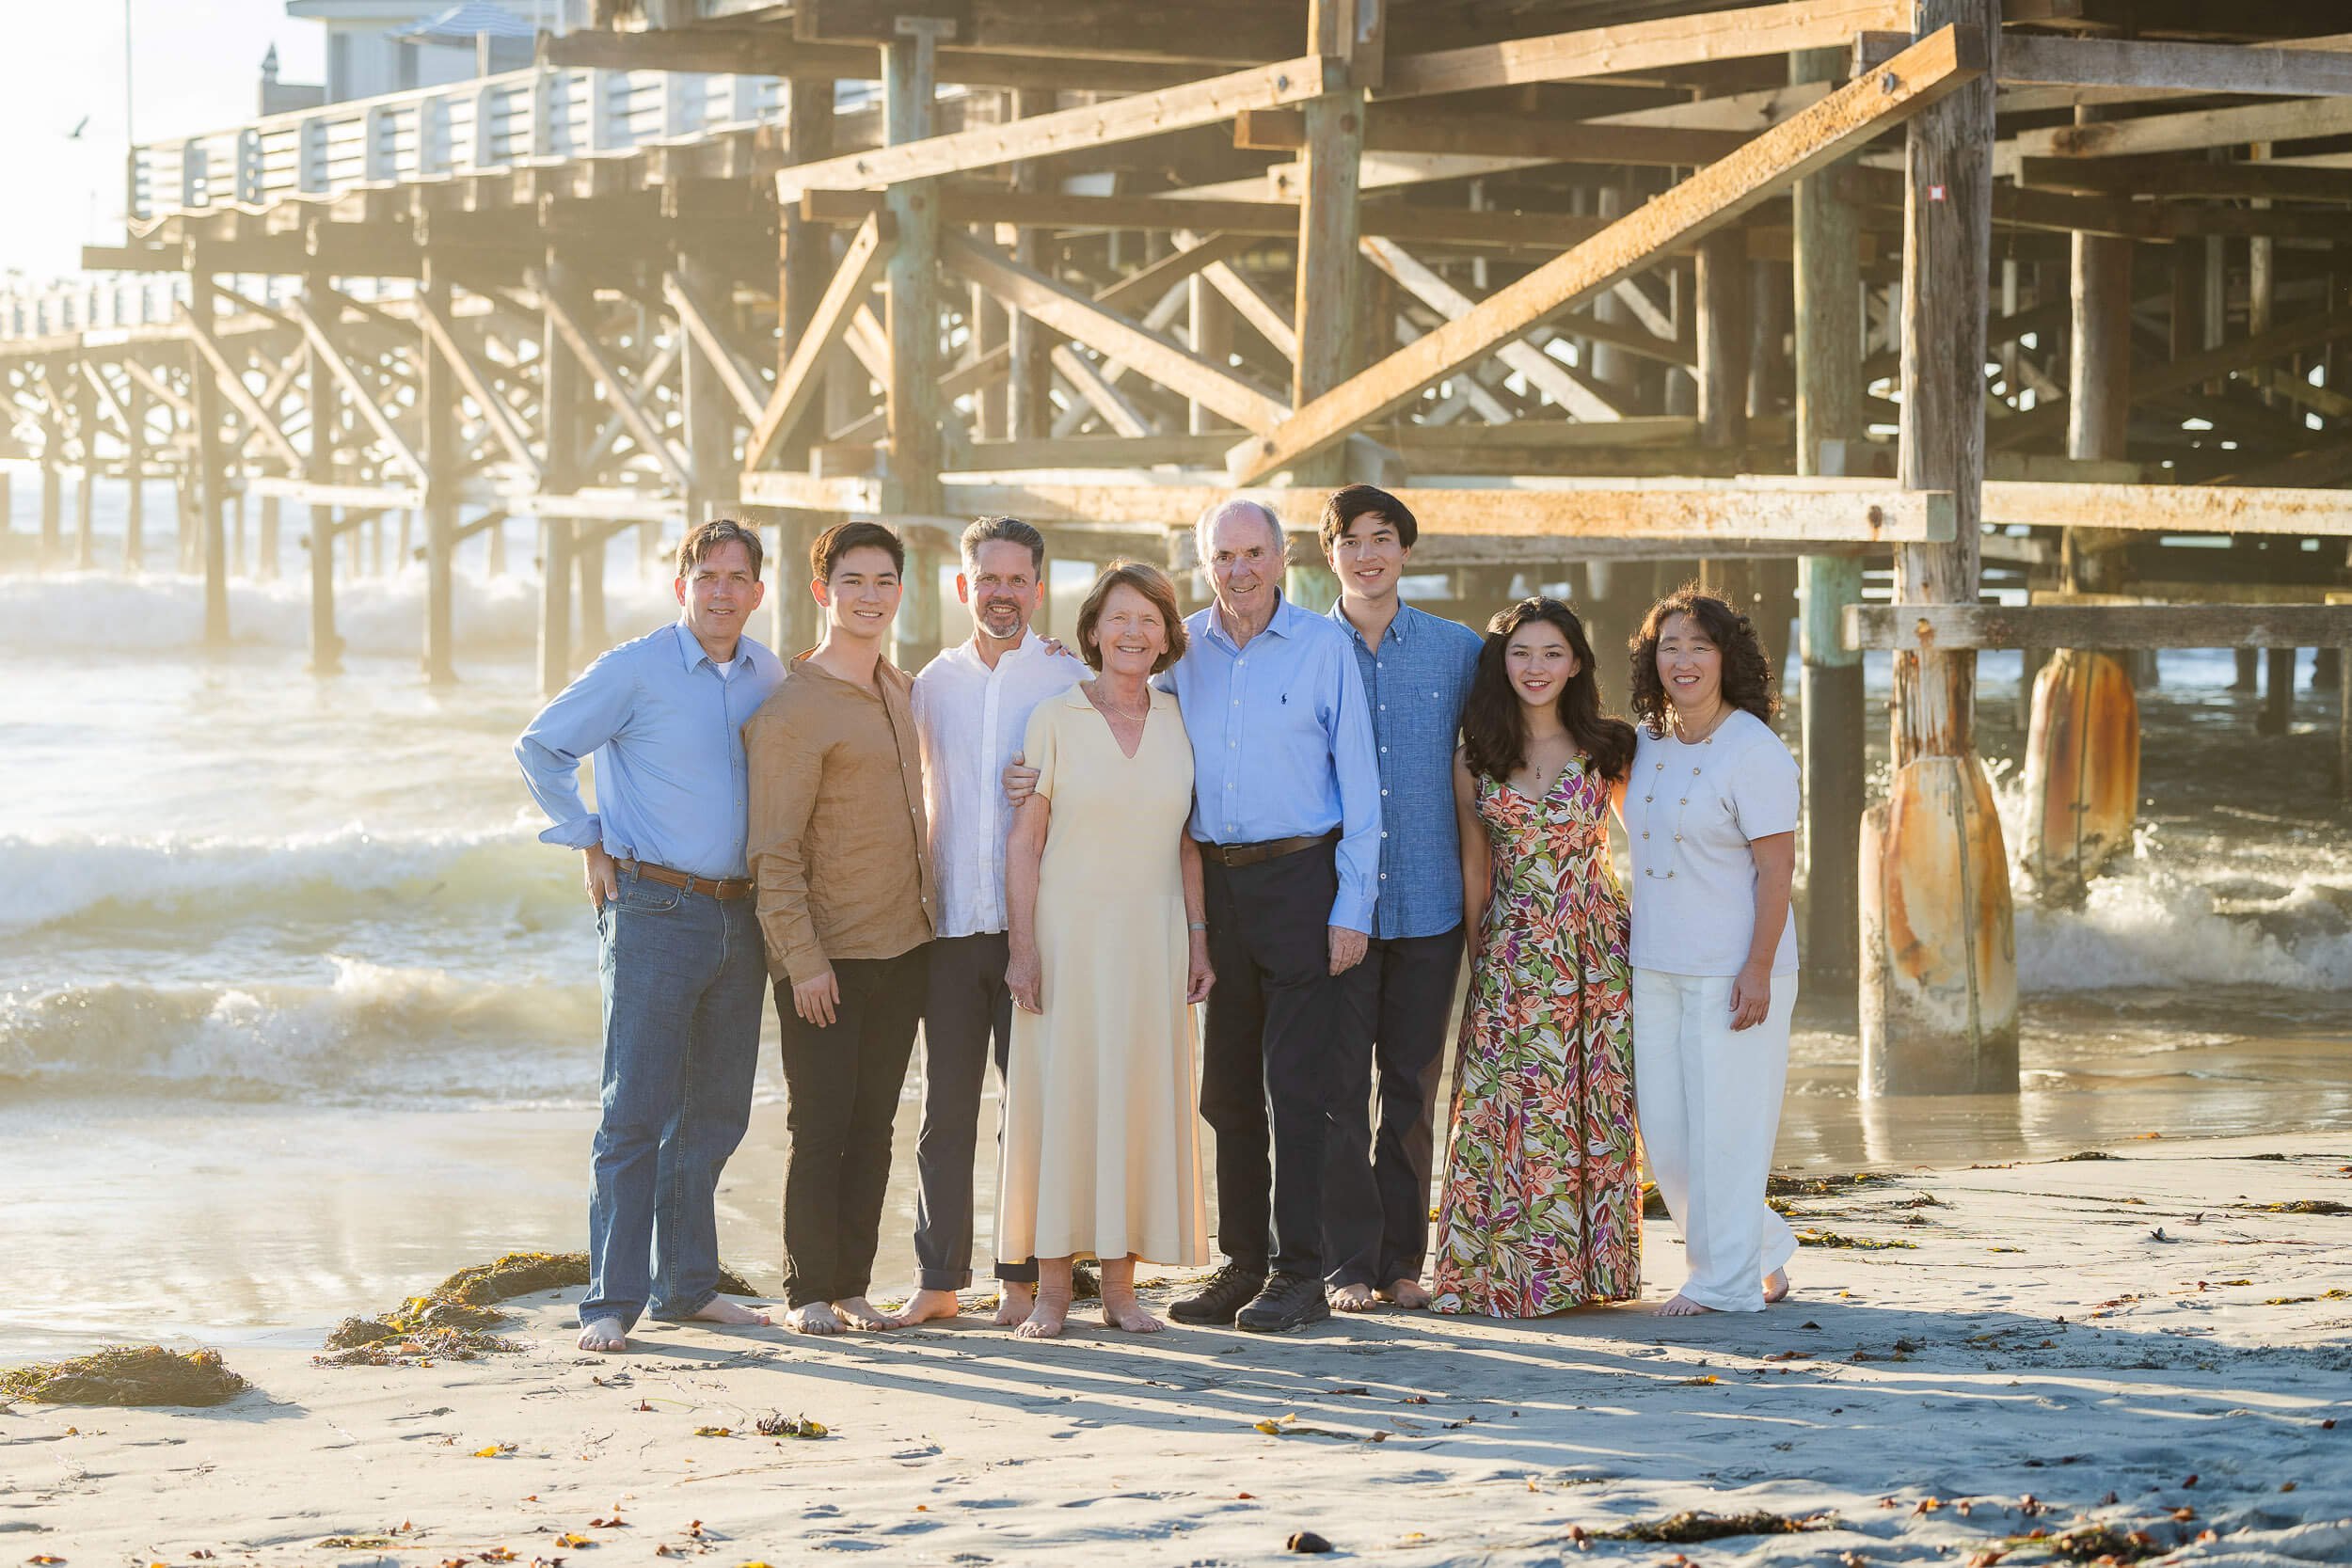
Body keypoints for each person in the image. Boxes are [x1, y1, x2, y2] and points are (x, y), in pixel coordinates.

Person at [514, 518, 783, 1354]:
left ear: (758, 593)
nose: (722, 591)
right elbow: (540, 746)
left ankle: (688, 1287)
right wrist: (588, 835)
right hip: (654, 910)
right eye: (707, 575)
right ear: (681, 587)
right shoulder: (634, 669)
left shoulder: (767, 673)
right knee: (634, 1111)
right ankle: (611, 1299)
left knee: (715, 1113)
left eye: (738, 577)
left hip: (743, 914)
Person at [1161, 498, 1380, 1334]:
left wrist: (1350, 908)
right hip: (1216, 887)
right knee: (1225, 1092)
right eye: (1224, 556)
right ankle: (1242, 1261)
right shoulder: (1181, 651)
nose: (1239, 571)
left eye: (1254, 553)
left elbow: (1361, 792)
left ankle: (1299, 1272)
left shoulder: (1325, 649)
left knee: (1298, 1087)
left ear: (1284, 558)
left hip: (1302, 879)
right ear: (1203, 562)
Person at [997, 562, 1213, 1338]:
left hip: (1153, 936)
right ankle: (1053, 1291)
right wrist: (1023, 948)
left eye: (1150, 620)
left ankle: (1122, 1290)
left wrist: (1197, 938)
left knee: (1136, 1097)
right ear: (1091, 631)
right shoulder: (1054, 716)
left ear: (1167, 636)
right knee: (1063, 1100)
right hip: (1066, 934)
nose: (1133, 632)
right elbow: (1026, 840)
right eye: (1118, 618)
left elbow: (1189, 842)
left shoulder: (1181, 719)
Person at [892, 517, 1085, 1330]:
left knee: (1031, 1109)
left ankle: (1019, 1278)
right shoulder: (929, 684)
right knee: (946, 1107)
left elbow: (1102, 795)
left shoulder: (1070, 680)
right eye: (988, 579)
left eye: (1018, 580)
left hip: (1034, 926)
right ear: (962, 586)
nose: (1002, 593)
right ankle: (938, 1279)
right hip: (948, 926)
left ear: (1038, 589)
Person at [744, 521, 936, 1336]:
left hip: (907, 944)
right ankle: (806, 1292)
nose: (869, 595)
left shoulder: (901, 687)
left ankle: (854, 1285)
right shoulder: (794, 707)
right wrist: (802, 959)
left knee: (876, 1123)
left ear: (900, 591)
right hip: (828, 956)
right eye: (852, 581)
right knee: (818, 1125)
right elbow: (772, 851)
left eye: (884, 580)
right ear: (822, 592)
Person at [1431, 597, 1642, 1318]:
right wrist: (1477, 959)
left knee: (1590, 1104)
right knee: (1510, 1110)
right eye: (1522, 652)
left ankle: (1590, 1272)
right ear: (1503, 662)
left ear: (1577, 662)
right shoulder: (1474, 756)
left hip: (1594, 948)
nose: (1536, 667)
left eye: (1552, 652)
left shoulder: (1610, 747)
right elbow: (1474, 868)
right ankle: (1508, 1275)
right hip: (1515, 947)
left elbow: (1652, 841)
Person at [1317, 485, 1482, 1313]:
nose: (1368, 554)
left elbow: (1520, 736)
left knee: (1413, 1088)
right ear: (1331, 554)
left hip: (1430, 901)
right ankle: (1345, 1263)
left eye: (1383, 538)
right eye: (1351, 540)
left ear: (1406, 550)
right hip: (1339, 908)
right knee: (1339, 1088)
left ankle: (1403, 1263)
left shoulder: (1458, 651)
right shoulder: (1306, 648)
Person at [1624, 586, 1801, 1316]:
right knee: (1667, 1136)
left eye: (1699, 645)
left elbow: (1777, 868)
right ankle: (1757, 1249)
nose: (1684, 659)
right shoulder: (1646, 742)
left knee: (1728, 1127)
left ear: (1727, 657)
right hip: (1655, 961)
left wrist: (1758, 966)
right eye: (1670, 646)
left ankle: (1724, 1281)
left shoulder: (1754, 749)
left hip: (1736, 968)